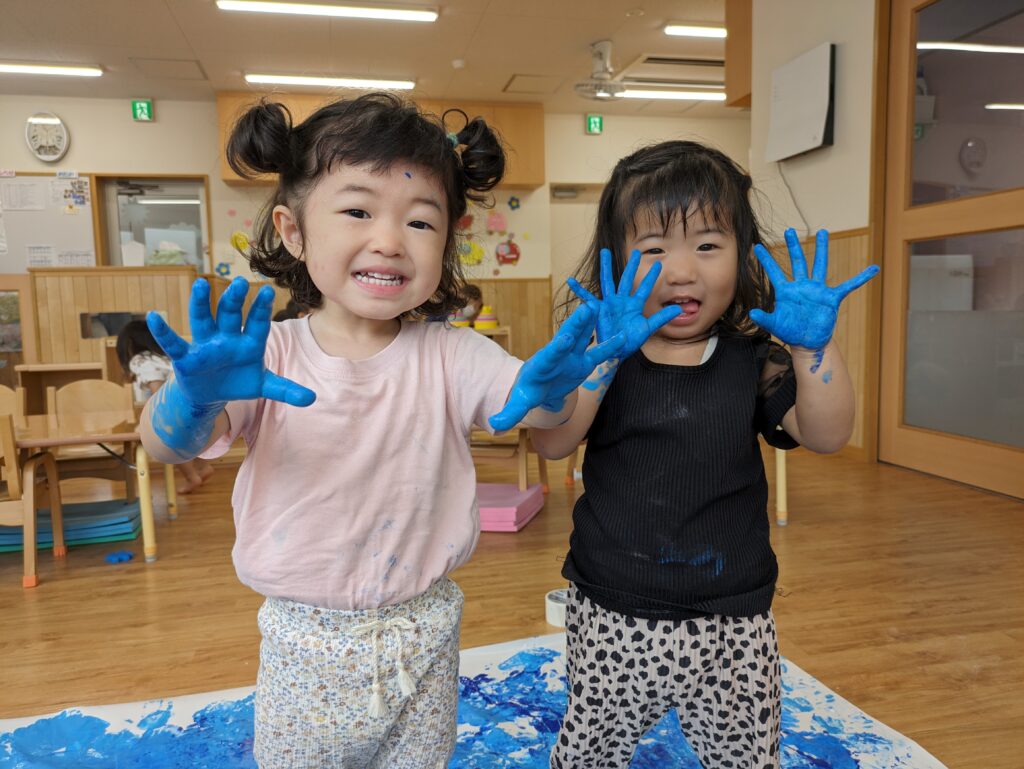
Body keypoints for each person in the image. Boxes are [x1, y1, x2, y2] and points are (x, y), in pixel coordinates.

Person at [138, 92, 624, 768]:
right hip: (303, 640)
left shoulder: (455, 353)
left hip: (423, 632)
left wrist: (550, 390)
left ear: (447, 239)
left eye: (420, 222)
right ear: (293, 228)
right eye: (358, 210)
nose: (391, 240)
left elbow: (531, 412)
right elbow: (166, 444)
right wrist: (192, 401)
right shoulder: (270, 356)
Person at [530, 140, 880, 769]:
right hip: (615, 605)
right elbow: (554, 443)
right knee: (590, 753)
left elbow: (826, 436)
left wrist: (811, 350)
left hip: (733, 614)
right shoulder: (605, 357)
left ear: (744, 258)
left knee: (745, 756)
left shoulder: (752, 356)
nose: (681, 269)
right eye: (654, 248)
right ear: (614, 261)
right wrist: (600, 360)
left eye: (708, 245)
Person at [115, 319, 213, 494]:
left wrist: (157, 413)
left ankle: (192, 477)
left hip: (170, 410)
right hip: (194, 405)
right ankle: (203, 467)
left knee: (169, 441)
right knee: (190, 439)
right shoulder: (163, 357)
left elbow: (156, 387)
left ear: (128, 346)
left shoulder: (139, 360)